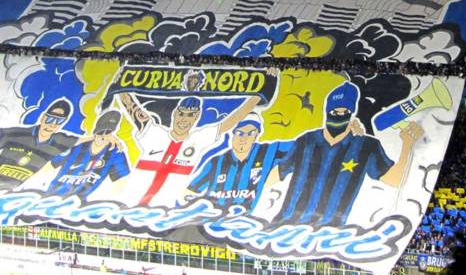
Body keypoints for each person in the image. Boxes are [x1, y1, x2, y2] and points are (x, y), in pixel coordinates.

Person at [265, 81, 424, 227]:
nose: (339, 115)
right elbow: (277, 173)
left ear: (351, 113)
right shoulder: (306, 140)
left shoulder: (366, 146)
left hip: (328, 231)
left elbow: (395, 180)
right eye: (335, 111)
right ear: (327, 111)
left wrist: (407, 145)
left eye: (345, 111)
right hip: (286, 224)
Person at [119, 89, 263, 207]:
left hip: (163, 211)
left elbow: (233, 120)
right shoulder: (154, 132)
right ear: (175, 114)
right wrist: (120, 86)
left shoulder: (198, 139)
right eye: (181, 114)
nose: (184, 119)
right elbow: (130, 105)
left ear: (196, 117)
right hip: (127, 205)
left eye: (190, 115)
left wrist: (259, 94)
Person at [19, 110, 130, 202]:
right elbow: (49, 166)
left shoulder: (115, 153)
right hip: (52, 198)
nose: (103, 137)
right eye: (100, 132)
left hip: (78, 204)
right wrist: (27, 185)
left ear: (112, 134)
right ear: (95, 133)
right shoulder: (76, 147)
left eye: (108, 133)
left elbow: (120, 184)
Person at [185, 111, 286, 212]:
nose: (244, 138)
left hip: (249, 217)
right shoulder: (216, 161)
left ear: (256, 135)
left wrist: (277, 174)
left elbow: (293, 151)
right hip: (215, 215)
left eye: (250, 134)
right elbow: (190, 192)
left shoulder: (269, 150)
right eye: (239, 133)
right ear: (232, 134)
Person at [0, 92, 78, 188]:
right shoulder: (18, 134)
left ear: (63, 123)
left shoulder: (62, 141)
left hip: (21, 194)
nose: (52, 125)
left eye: (58, 121)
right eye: (50, 119)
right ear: (43, 117)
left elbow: (85, 141)